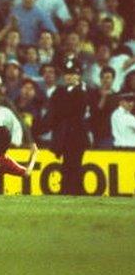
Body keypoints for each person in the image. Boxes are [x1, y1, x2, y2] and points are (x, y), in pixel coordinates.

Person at [38, 59, 92, 195]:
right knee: (67, 166)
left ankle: (73, 191)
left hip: (76, 135)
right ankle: (67, 191)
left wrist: (60, 112)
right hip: (64, 135)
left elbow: (74, 111)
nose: (69, 77)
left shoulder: (82, 92)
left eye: (73, 74)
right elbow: (54, 112)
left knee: (74, 165)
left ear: (78, 76)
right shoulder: (60, 91)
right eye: (67, 74)